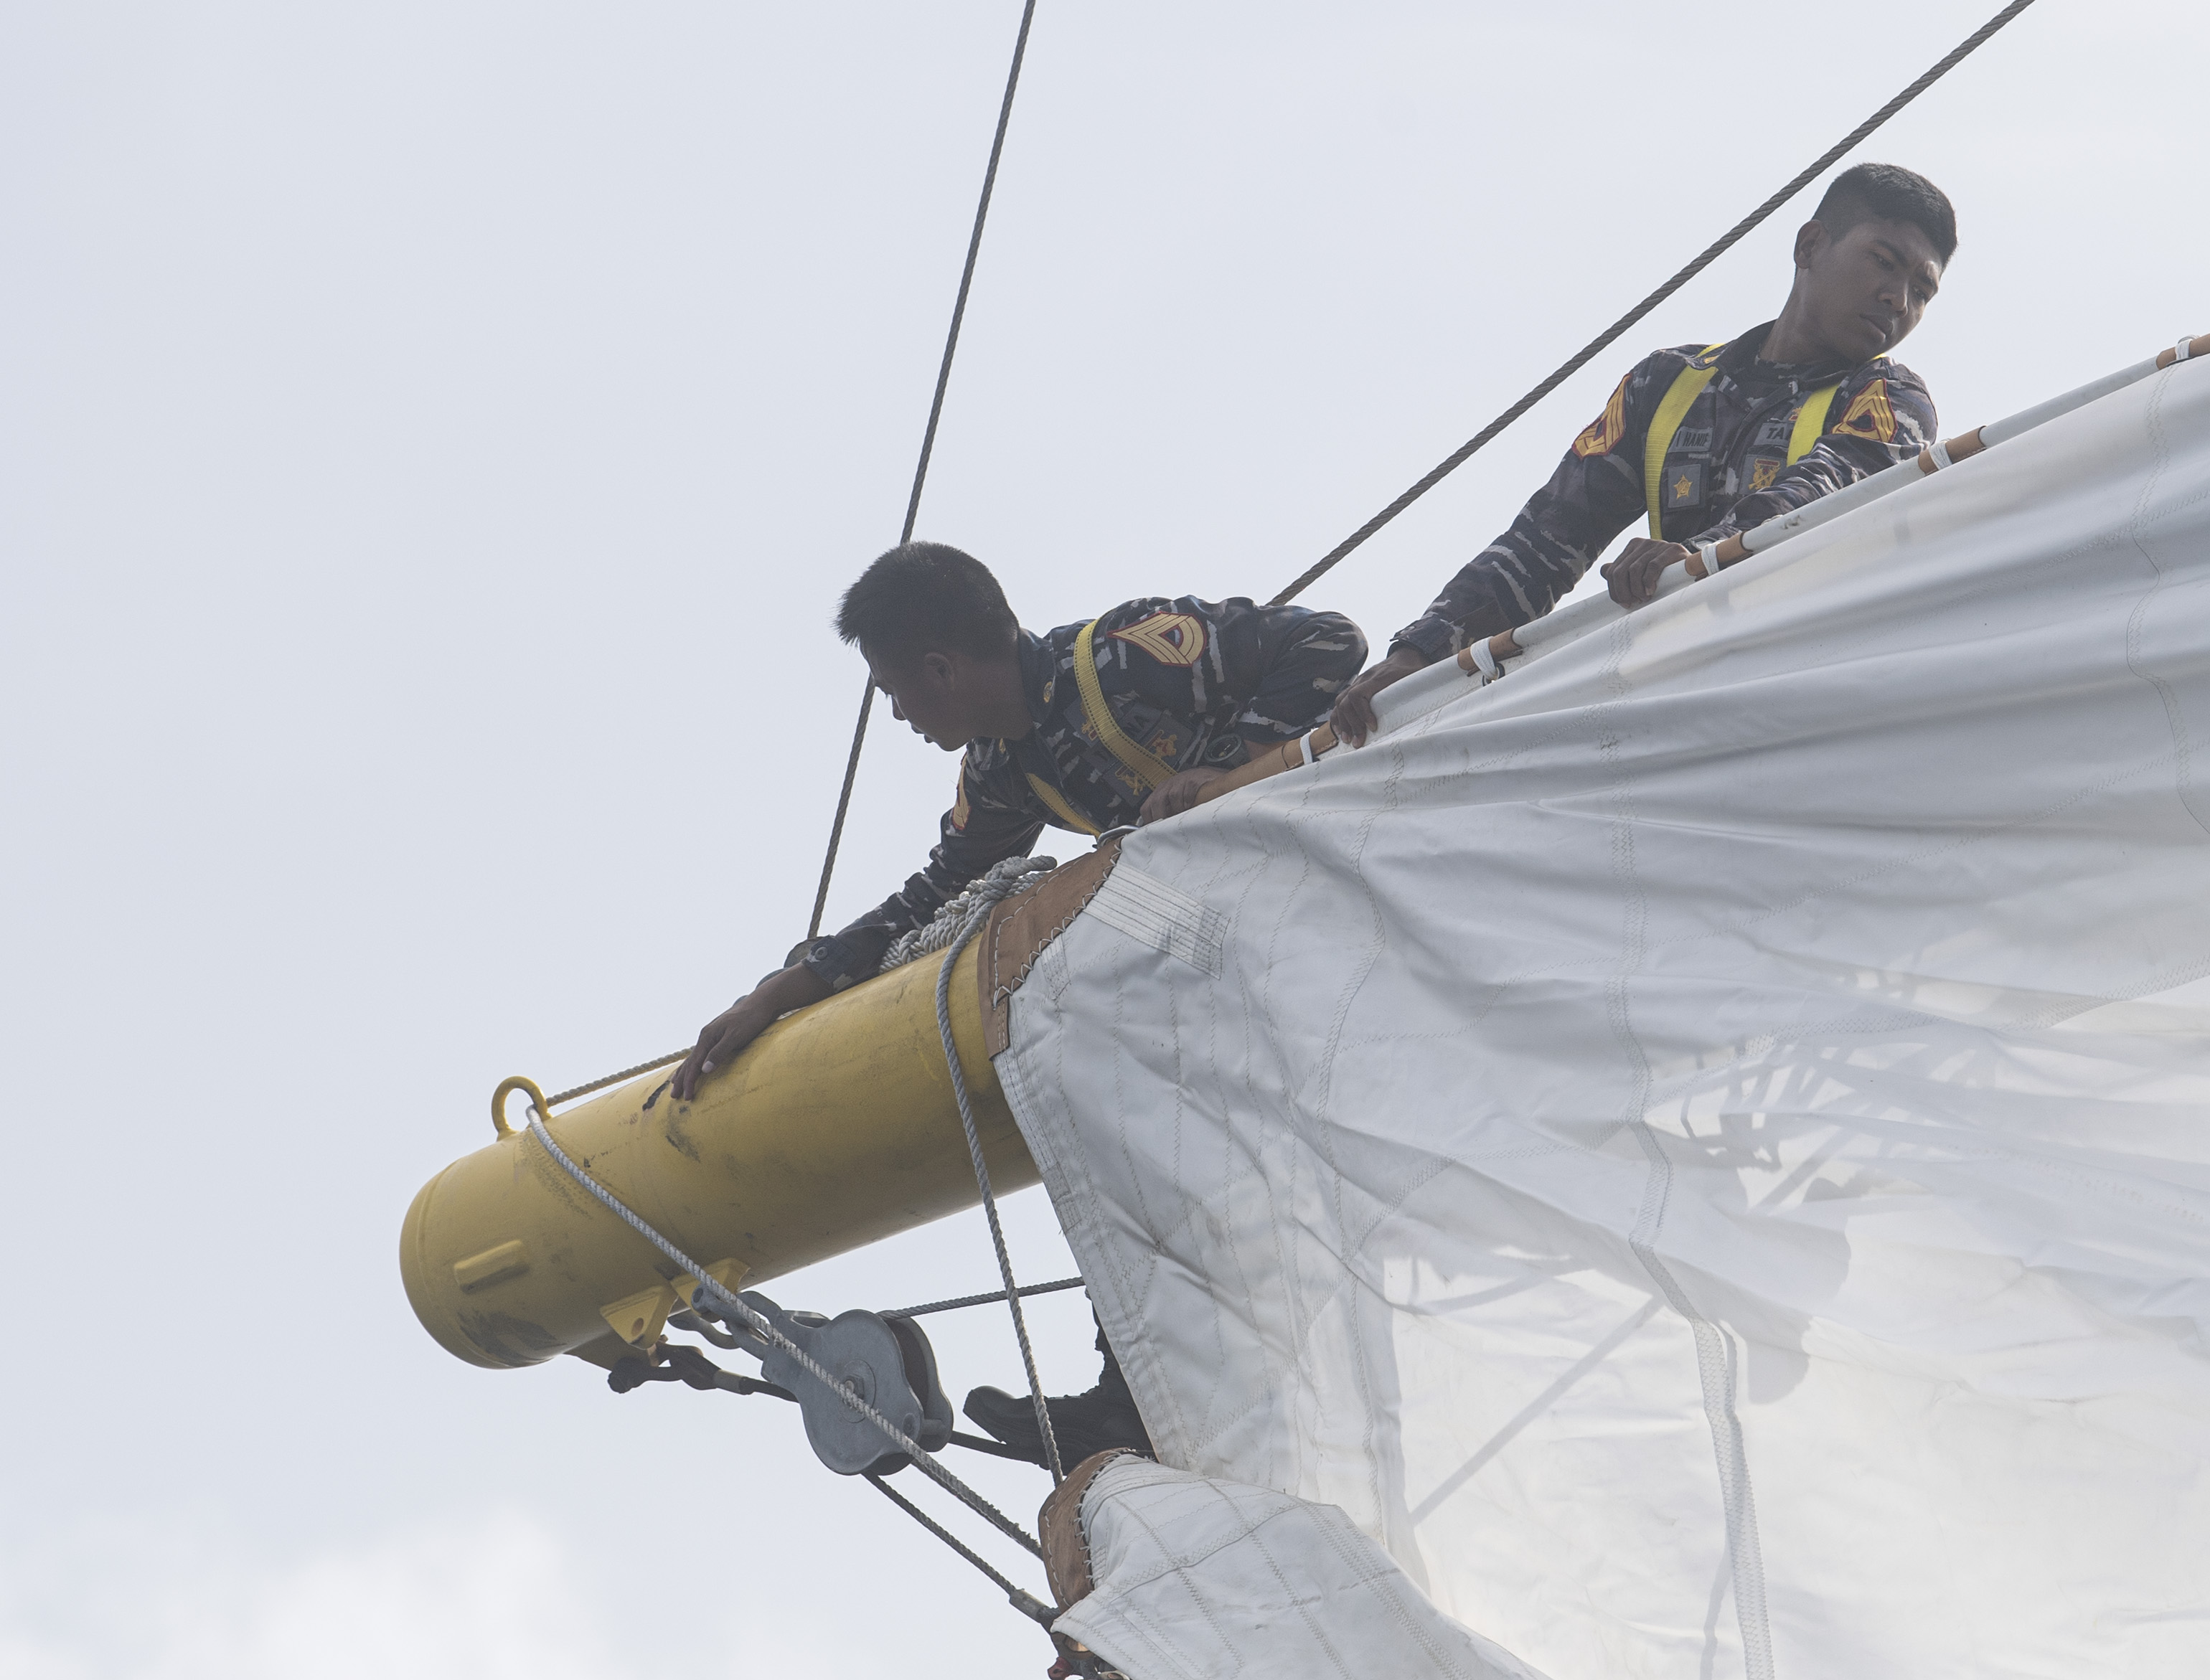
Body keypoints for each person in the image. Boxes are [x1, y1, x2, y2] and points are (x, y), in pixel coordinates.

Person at [674, 541, 1365, 1103]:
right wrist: (780, 992)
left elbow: (1330, 641)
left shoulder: (1121, 656)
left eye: (892, 691)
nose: (898, 714)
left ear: (939, 671)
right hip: (1276, 919)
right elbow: (933, 896)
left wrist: (1229, 762)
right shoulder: (1001, 770)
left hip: (1347, 841)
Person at [1331, 161, 1954, 745]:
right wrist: (1420, 655)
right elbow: (1547, 539)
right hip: (1668, 699)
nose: (1899, 301)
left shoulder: (1892, 400)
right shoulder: (1668, 382)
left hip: (1804, 704)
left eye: (1922, 291)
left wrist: (1697, 557)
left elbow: (1818, 500)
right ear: (1810, 246)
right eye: (1883, 262)